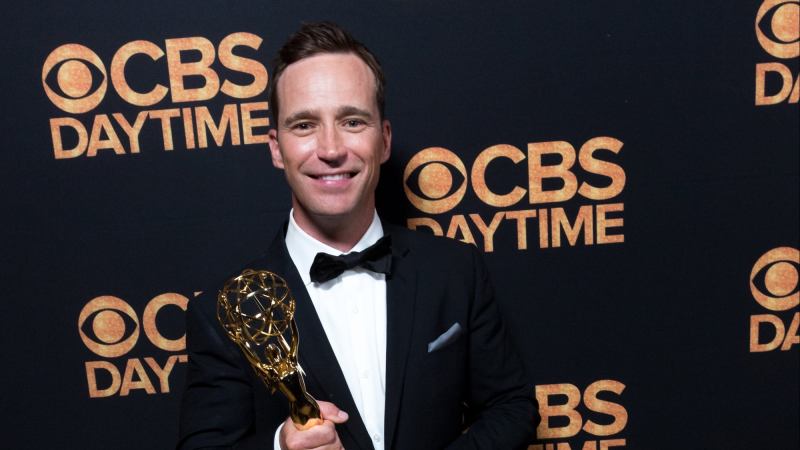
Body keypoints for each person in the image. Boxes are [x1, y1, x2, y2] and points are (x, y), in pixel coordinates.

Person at [178, 22, 536, 450]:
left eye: (352, 121)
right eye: (304, 125)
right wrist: (281, 447)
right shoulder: (223, 311)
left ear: (383, 140)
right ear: (276, 148)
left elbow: (512, 407)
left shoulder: (456, 271)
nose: (331, 149)